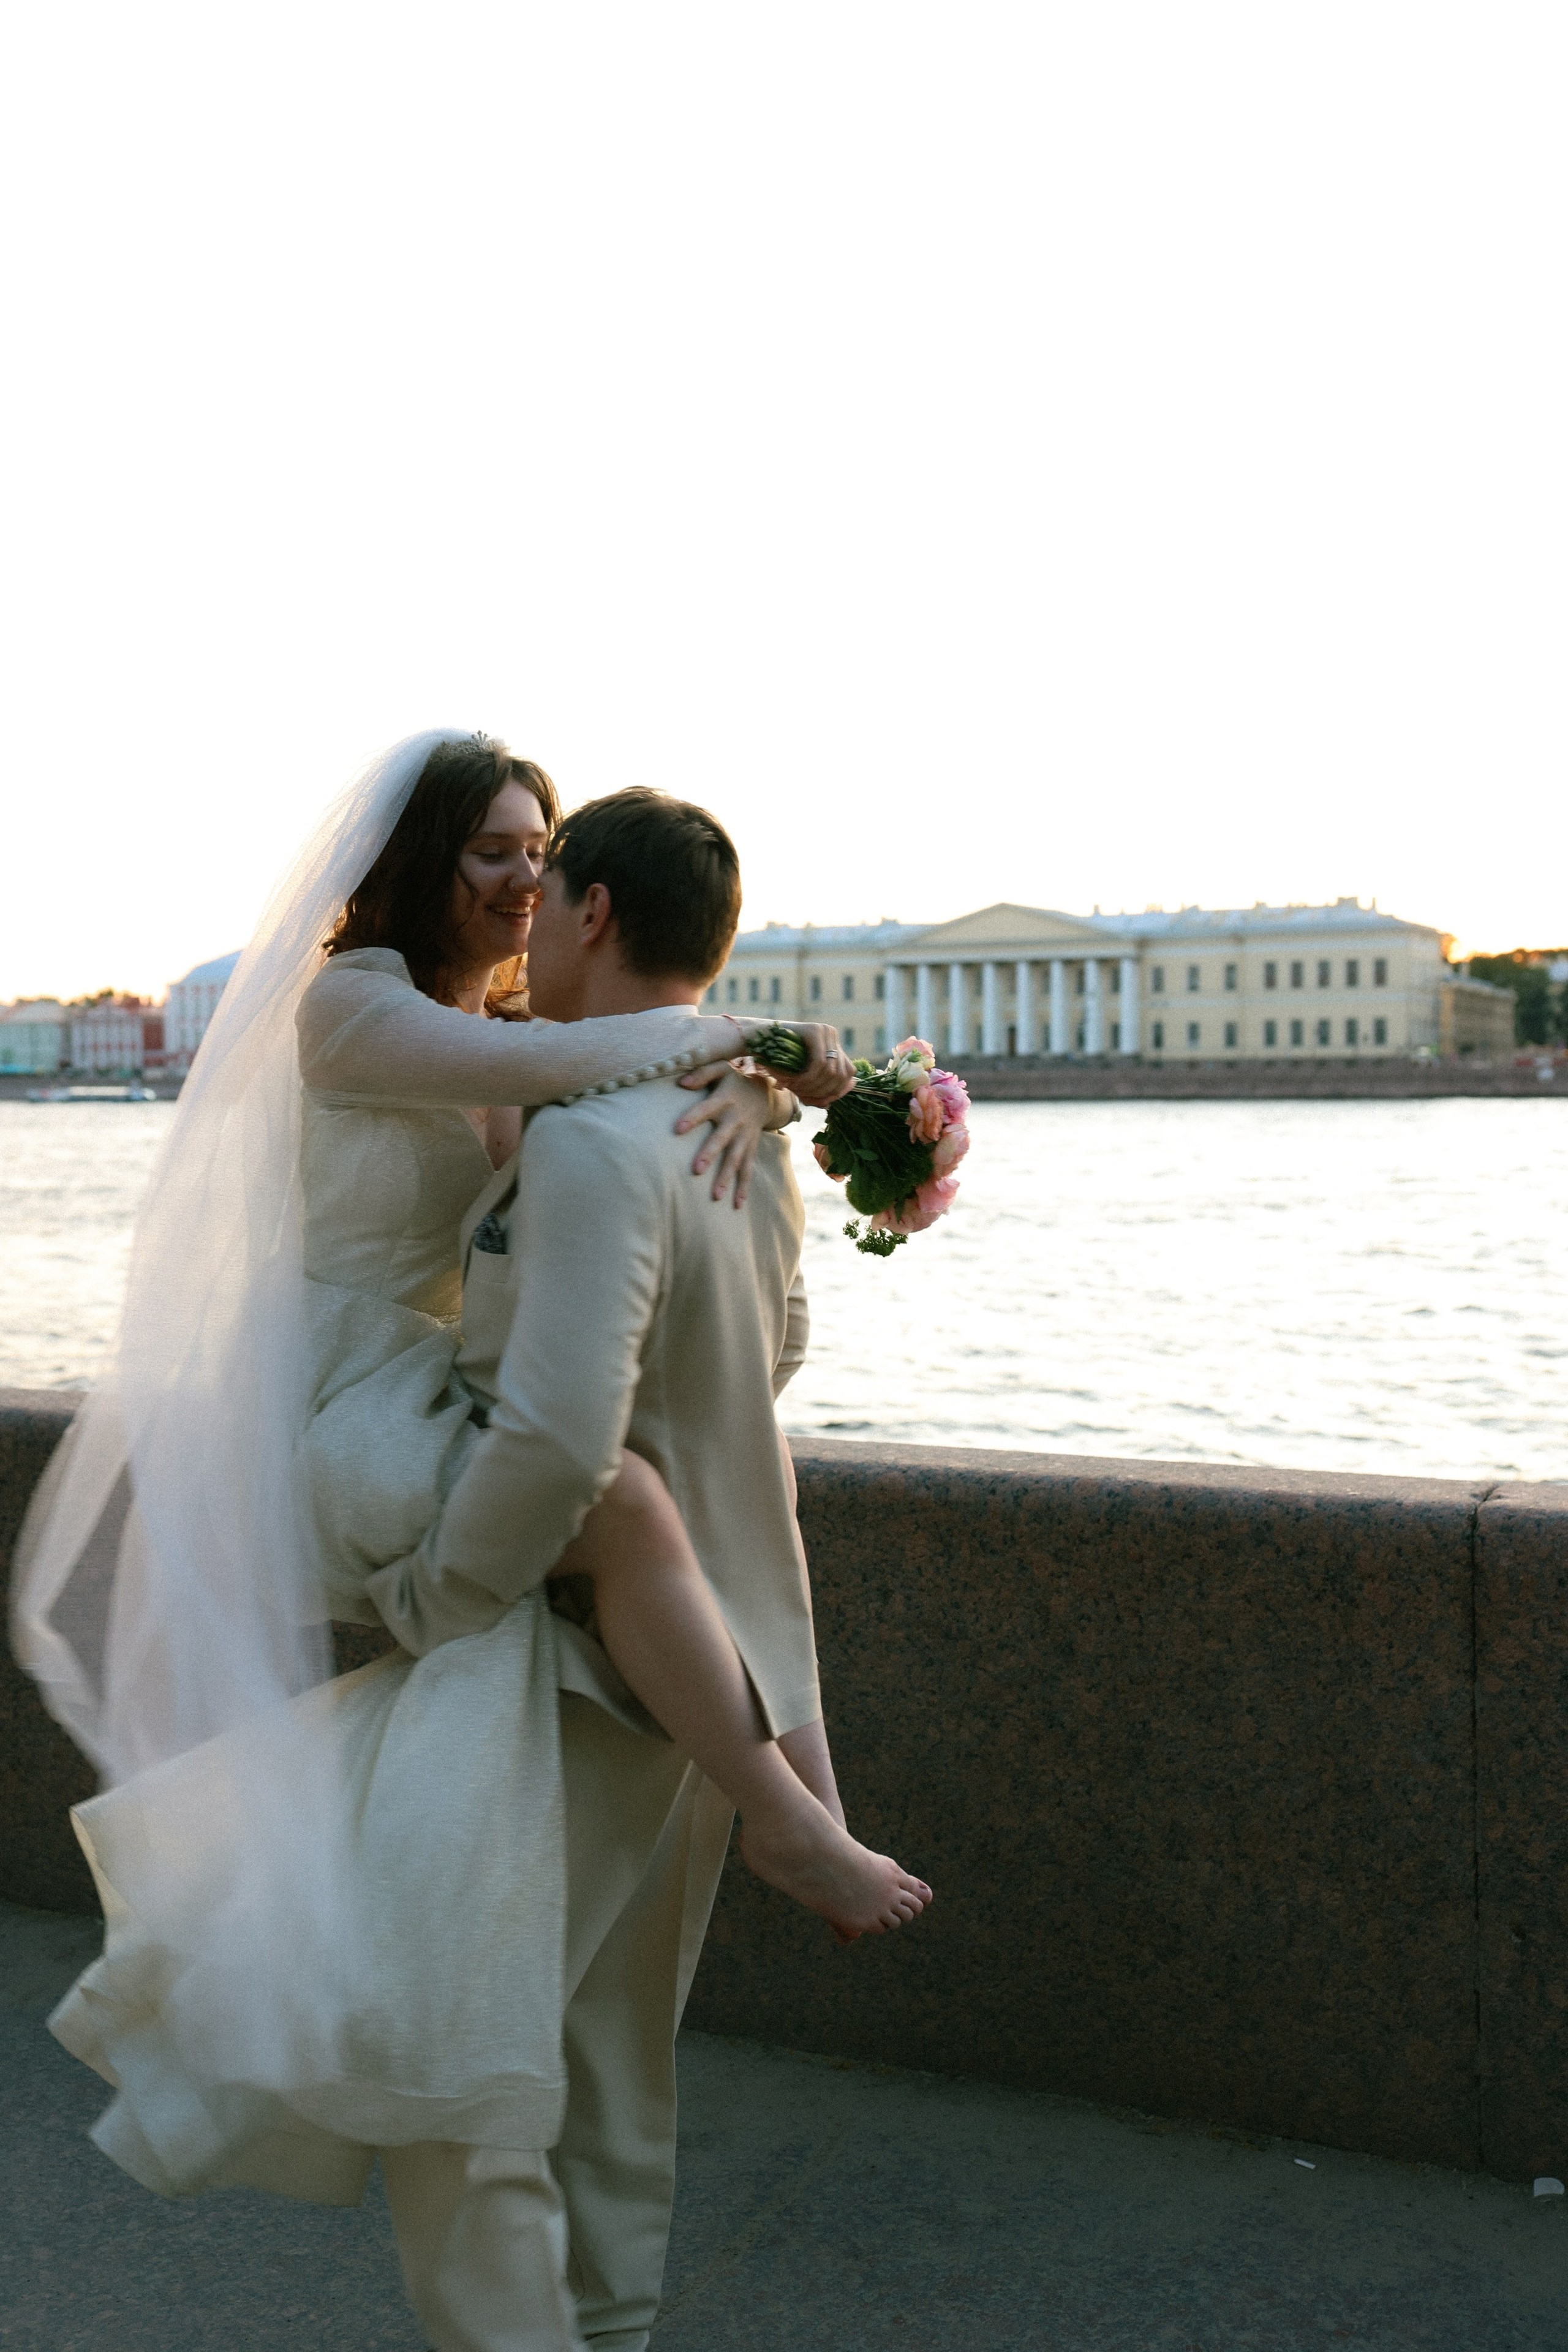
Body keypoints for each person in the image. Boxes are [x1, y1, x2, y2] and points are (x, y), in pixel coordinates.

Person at [364, 785, 931, 2348]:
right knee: (617, 2074)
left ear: (595, 914)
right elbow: (777, 1357)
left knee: (466, 2081)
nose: (525, 923)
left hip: (574, 1672)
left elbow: (557, 1447)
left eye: (547, 900)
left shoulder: (598, 1145)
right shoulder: (732, 1135)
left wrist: (432, 1596)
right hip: (724, 1677)